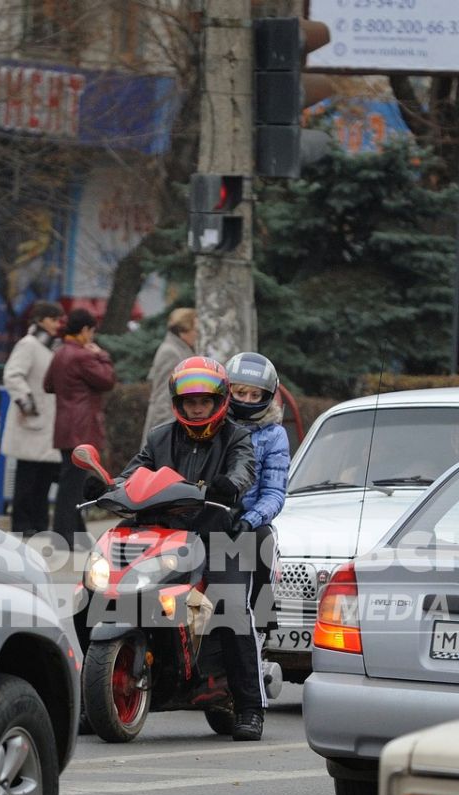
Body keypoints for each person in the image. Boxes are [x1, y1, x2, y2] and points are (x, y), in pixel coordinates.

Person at [115, 356, 262, 740]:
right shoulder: (160, 437)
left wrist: (231, 484)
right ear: (177, 403)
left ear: (219, 401)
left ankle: (249, 707)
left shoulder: (236, 437)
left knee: (230, 607)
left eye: (204, 401)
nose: (196, 408)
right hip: (167, 534)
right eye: (189, 401)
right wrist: (107, 487)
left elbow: (245, 469)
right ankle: (100, 693)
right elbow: (136, 471)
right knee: (106, 592)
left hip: (220, 536)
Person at [224, 351, 290, 634]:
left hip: (248, 518)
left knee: (261, 540)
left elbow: (274, 493)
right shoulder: (213, 425)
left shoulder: (274, 434)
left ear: (268, 395)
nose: (247, 401)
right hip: (210, 512)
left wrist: (249, 519)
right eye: (240, 393)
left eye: (255, 395)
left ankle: (259, 625)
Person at [48, 308, 118, 547]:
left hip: (64, 425)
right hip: (82, 427)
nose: (92, 338)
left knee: (71, 482)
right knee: (72, 485)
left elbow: (48, 384)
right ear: (85, 330)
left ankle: (76, 533)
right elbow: (107, 380)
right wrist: (102, 355)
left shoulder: (60, 353)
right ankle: (62, 535)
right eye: (91, 332)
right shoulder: (83, 356)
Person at [0, 301, 64, 535]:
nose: (58, 324)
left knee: (43, 480)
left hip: (47, 423)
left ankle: (38, 525)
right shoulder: (29, 344)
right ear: (42, 319)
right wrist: (27, 404)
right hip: (32, 422)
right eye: (55, 319)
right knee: (27, 479)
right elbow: (13, 375)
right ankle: (22, 525)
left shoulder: (49, 346)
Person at [144, 307, 199, 432]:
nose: (197, 334)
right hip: (166, 422)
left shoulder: (182, 350)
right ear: (183, 331)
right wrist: (164, 432)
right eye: (195, 330)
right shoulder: (171, 352)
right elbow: (163, 395)